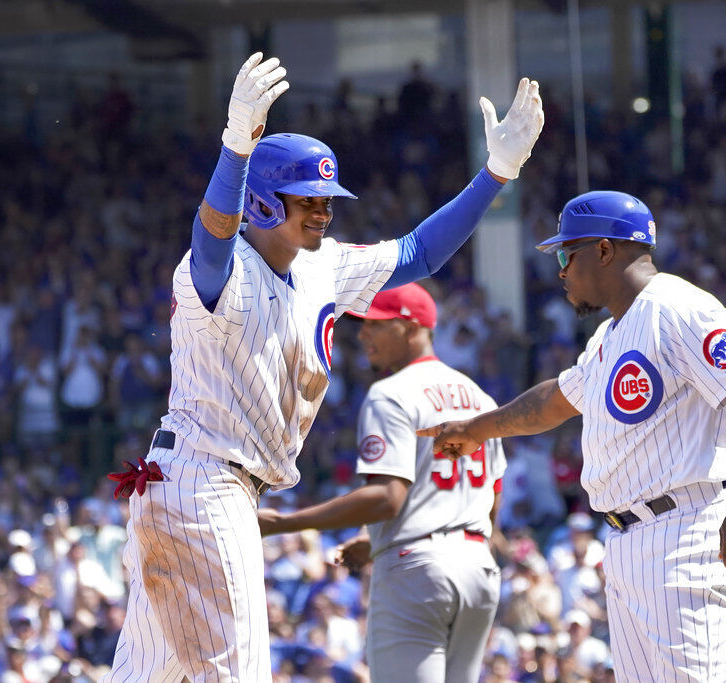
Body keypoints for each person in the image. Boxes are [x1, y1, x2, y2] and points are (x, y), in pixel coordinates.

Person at [103, 52, 542, 682]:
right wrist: (235, 148)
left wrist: (495, 174)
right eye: (308, 199)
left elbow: (419, 253)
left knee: (149, 675)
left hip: (199, 486)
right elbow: (211, 238)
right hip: (204, 483)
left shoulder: (324, 265)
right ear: (259, 204)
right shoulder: (219, 270)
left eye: (327, 199)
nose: (323, 211)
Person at [420, 191, 726, 681]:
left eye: (568, 254)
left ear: (605, 251)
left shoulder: (676, 306)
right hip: (628, 541)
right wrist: (476, 429)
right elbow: (555, 401)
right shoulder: (611, 334)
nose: (561, 270)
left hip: (684, 532)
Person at [258, 283, 506, 683]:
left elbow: (387, 499)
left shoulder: (391, 393)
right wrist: (376, 539)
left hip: (417, 571)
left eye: (375, 324)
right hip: (478, 569)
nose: (362, 335)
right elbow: (492, 499)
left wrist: (283, 523)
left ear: (410, 327)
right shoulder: (480, 398)